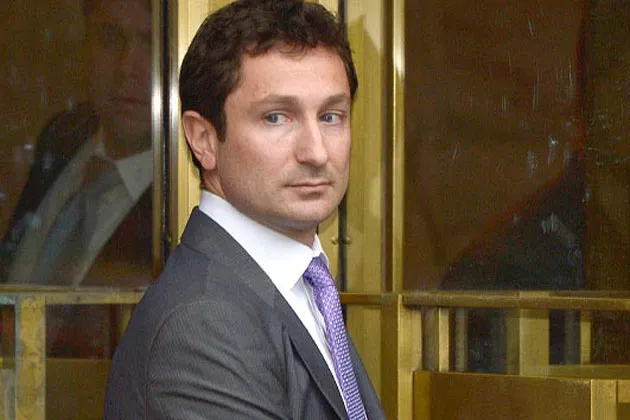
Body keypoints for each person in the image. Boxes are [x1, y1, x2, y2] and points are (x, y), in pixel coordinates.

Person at [104, 1, 385, 419]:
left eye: (330, 116)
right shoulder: (202, 324)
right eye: (276, 118)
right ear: (203, 139)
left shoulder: (305, 285)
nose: (316, 152)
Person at [1, 0, 153, 288]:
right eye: (109, 38)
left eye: (151, 44)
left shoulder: (184, 193)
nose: (127, 67)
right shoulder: (61, 137)